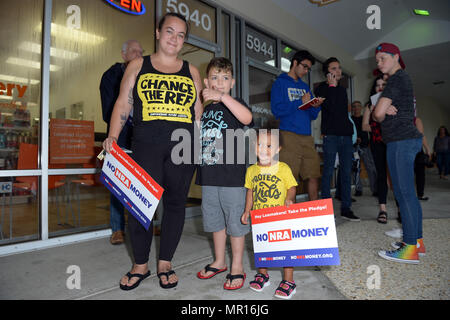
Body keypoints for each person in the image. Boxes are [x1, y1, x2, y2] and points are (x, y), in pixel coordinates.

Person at [103, 12, 203, 290]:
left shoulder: (192, 71)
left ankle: (165, 262)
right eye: (170, 31)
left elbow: (197, 114)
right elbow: (123, 103)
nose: (175, 38)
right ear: (158, 33)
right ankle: (140, 265)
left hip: (183, 148)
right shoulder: (138, 65)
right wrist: (112, 136)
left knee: (174, 205)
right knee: (139, 207)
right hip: (145, 144)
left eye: (181, 35)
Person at [195, 57, 253, 290]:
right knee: (215, 220)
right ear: (207, 82)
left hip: (232, 177)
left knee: (235, 221)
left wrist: (224, 98)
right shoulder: (207, 110)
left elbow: (247, 118)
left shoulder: (234, 103)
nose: (220, 83)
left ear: (232, 83)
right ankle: (219, 261)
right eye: (215, 78)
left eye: (225, 78)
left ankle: (236, 266)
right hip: (209, 176)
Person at [373, 43, 425, 264]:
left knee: (404, 194)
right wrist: (385, 110)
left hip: (401, 140)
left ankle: (410, 248)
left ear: (396, 57)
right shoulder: (401, 79)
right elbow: (382, 111)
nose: (380, 62)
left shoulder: (396, 78)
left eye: (383, 58)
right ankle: (417, 242)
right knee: (408, 194)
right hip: (405, 139)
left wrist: (382, 112)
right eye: (377, 60)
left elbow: (377, 114)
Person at [241, 128, 298, 299]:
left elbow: (292, 186)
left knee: (285, 249)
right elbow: (250, 192)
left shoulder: (283, 168)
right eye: (259, 144)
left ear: (278, 149)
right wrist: (246, 211)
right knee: (261, 249)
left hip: (280, 217)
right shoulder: (251, 170)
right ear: (253, 146)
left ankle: (289, 281)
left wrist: (289, 198)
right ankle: (263, 275)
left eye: (269, 145)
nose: (263, 149)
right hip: (259, 219)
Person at [100, 39, 143, 245]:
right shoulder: (111, 76)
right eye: (134, 51)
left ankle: (144, 225)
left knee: (143, 185)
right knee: (119, 186)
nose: (138, 55)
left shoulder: (145, 75)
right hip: (123, 139)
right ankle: (117, 229)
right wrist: (115, 135)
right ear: (123, 54)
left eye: (141, 52)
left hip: (143, 140)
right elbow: (110, 111)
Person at [270, 50, 324, 201]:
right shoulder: (279, 83)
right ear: (295, 63)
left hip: (307, 137)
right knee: (289, 179)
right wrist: (299, 102)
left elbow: (312, 116)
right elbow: (277, 110)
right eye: (305, 66)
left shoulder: (305, 87)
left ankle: (315, 214)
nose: (306, 71)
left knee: (313, 175)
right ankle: (288, 218)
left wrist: (316, 106)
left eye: (308, 68)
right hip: (288, 135)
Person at [314, 57, 359, 221]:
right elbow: (331, 108)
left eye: (339, 68)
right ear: (327, 72)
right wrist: (331, 87)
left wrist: (335, 88)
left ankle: (346, 208)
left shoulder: (342, 89)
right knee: (327, 172)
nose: (338, 71)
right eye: (334, 68)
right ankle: (326, 210)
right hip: (331, 136)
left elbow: (341, 111)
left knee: (346, 172)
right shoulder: (321, 89)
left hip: (346, 136)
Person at [362, 76, 390, 224]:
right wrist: (375, 114)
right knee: (381, 175)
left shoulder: (393, 102)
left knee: (397, 175)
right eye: (377, 85)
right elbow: (364, 126)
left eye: (383, 84)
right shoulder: (369, 105)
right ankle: (383, 209)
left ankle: (401, 209)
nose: (380, 87)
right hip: (377, 143)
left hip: (393, 142)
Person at [351, 100, 377, 197]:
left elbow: (371, 132)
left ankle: (375, 189)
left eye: (358, 106)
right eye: (354, 106)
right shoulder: (350, 119)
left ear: (361, 108)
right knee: (356, 169)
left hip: (366, 147)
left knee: (371, 168)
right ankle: (358, 189)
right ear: (352, 109)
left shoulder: (365, 119)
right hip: (354, 148)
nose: (356, 108)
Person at [414, 117, 432, 201]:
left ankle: (420, 194)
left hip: (417, 150)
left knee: (420, 173)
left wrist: (427, 148)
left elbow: (421, 135)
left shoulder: (416, 120)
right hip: (409, 149)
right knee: (418, 173)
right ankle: (417, 195)